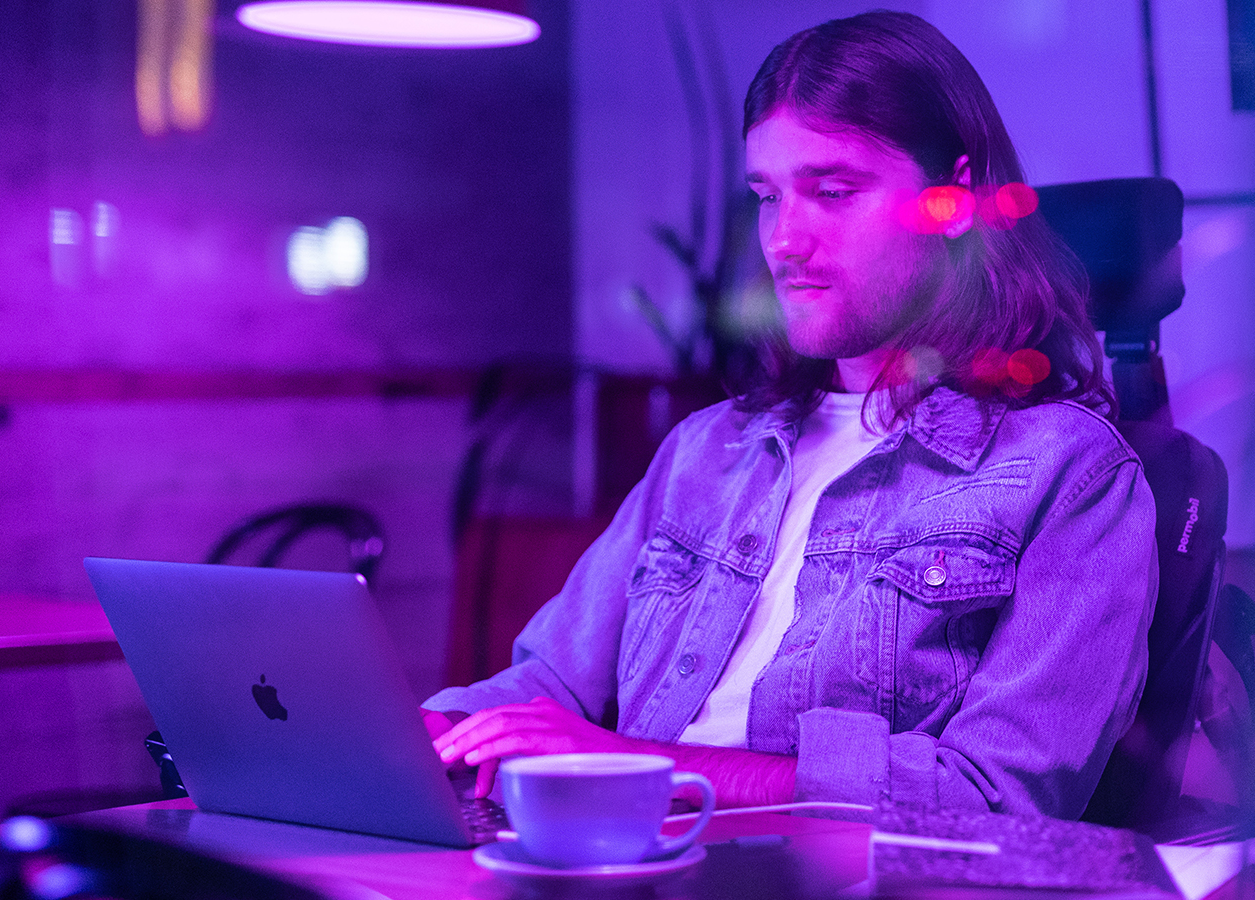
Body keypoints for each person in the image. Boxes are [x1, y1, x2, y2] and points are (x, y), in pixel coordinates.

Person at [423, 10, 1158, 820]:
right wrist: (440, 734)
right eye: (768, 196)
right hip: (621, 857)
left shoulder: (1068, 474)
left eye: (833, 192)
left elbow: (996, 797)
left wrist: (628, 764)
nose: (784, 240)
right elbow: (546, 686)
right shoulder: (706, 451)